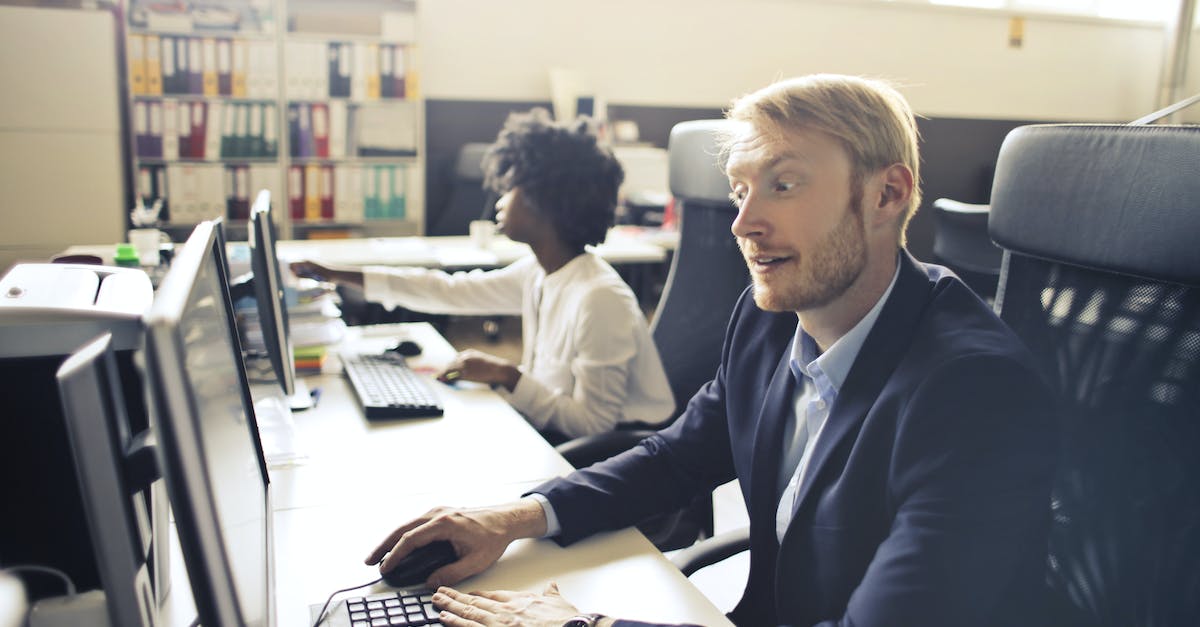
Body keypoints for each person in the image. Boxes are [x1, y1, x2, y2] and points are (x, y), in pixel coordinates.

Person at [363, 75, 1059, 627]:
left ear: (886, 193)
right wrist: (512, 518)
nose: (744, 223)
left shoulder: (972, 390)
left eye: (783, 184)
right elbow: (677, 457)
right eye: (739, 189)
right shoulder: (767, 322)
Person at [291, 108, 674, 442]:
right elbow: (447, 290)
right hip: (558, 434)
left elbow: (594, 426)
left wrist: (507, 375)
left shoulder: (599, 298)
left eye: (514, 188)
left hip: (616, 455)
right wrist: (339, 274)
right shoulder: (541, 272)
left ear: (547, 202)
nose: (501, 199)